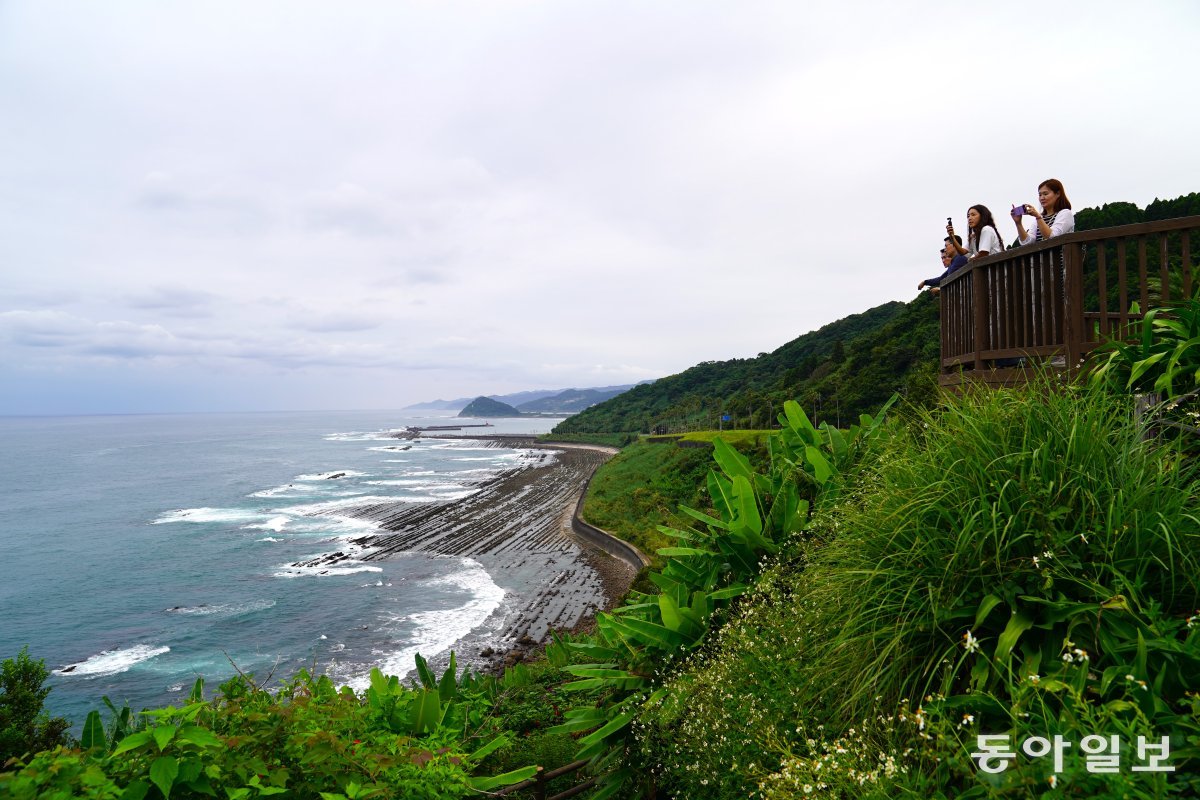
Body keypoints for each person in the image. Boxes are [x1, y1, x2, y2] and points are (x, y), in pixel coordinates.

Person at [1012, 178, 1074, 244]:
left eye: (1045, 194)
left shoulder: (1065, 213)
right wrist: (1018, 223)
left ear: (1058, 194)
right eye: (1040, 195)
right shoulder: (1040, 218)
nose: (1042, 198)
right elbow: (1027, 242)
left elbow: (1052, 237)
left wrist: (1038, 217)